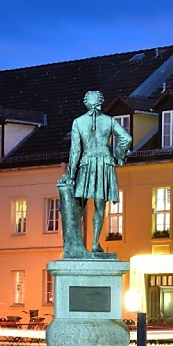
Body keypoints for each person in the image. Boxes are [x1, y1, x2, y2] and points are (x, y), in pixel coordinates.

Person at [60, 90, 131, 254]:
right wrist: (118, 155)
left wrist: (71, 174)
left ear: (86, 103)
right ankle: (94, 243)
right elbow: (126, 139)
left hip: (86, 164)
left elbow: (75, 150)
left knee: (80, 203)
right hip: (105, 163)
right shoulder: (110, 121)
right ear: (100, 101)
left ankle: (76, 242)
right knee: (100, 205)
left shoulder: (78, 122)